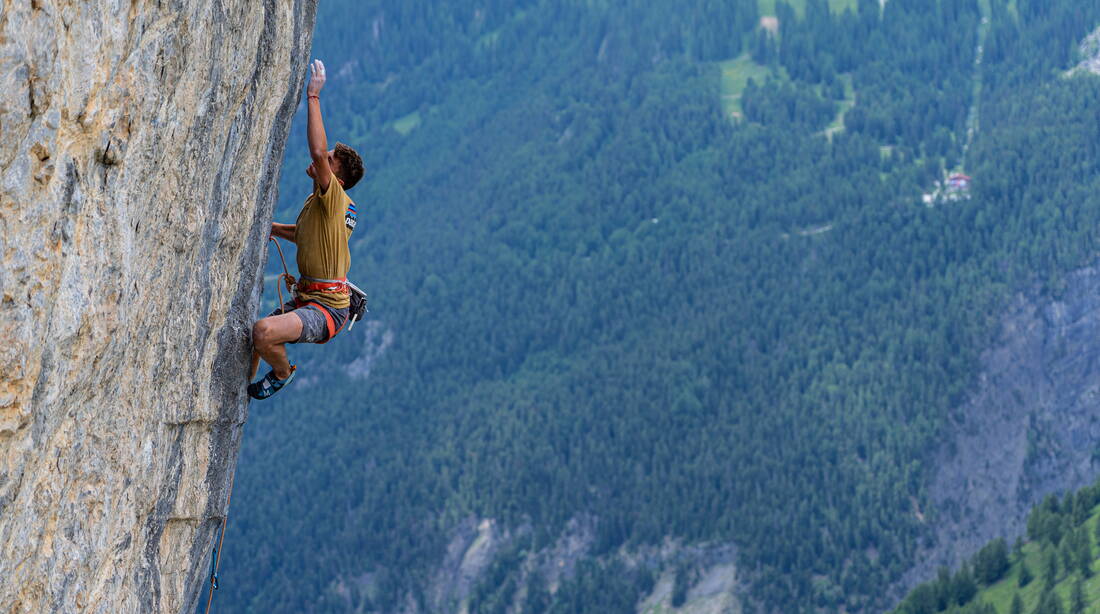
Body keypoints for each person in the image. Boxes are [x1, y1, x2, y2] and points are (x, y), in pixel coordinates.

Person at [248, 58, 365, 400]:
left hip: (326, 310)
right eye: (327, 156)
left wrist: (313, 97)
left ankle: (283, 373)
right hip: (312, 298)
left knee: (263, 332)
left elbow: (314, 150)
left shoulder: (334, 199)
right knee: (253, 343)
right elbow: (304, 237)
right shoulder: (323, 207)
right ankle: (241, 390)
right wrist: (270, 229)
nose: (320, 160)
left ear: (338, 180)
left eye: (329, 161)